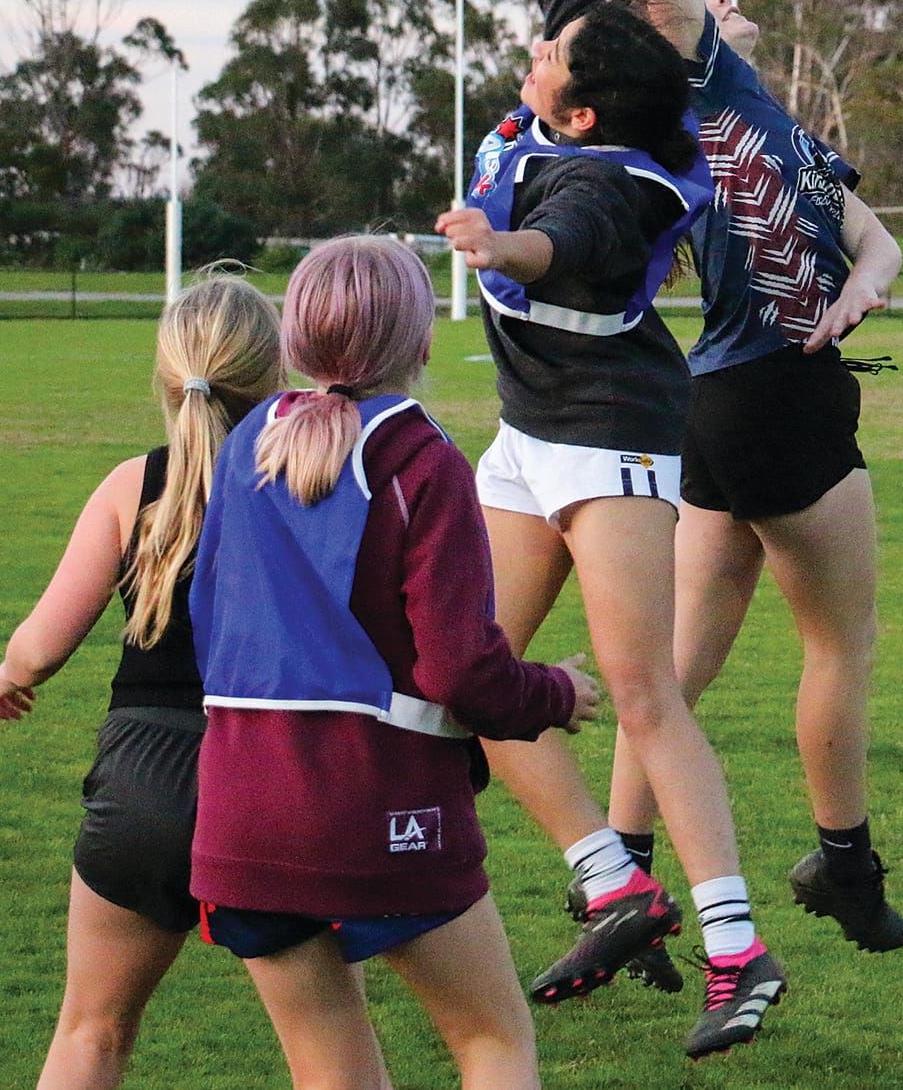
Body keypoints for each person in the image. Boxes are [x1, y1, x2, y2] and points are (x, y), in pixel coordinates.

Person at [434, 0, 787, 1060]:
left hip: (618, 437)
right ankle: (608, 875)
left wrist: (490, 241)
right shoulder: (592, 69)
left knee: (643, 693)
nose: (535, 36)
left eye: (547, 48)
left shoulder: (624, 175)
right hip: (529, 428)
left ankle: (740, 951)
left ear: (577, 103)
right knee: (466, 670)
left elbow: (559, 247)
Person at [535, 0, 903, 956]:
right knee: (838, 645)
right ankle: (844, 863)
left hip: (721, 407)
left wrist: (858, 290)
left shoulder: (773, 127)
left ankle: (629, 895)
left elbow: (872, 233)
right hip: (776, 404)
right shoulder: (700, 89)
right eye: (698, 1)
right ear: (676, 37)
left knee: (666, 684)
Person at [186, 235, 600, 1090]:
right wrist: (553, 693)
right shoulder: (420, 460)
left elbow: (209, 619)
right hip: (376, 799)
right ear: (419, 341)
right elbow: (460, 669)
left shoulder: (248, 442)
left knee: (328, 1064)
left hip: (239, 807)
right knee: (493, 1041)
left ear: (295, 339)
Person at [0, 274, 285, 1090]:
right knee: (329, 1044)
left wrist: (12, 673)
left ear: (165, 376)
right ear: (277, 372)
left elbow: (42, 645)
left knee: (93, 1031)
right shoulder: (310, 482)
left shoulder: (132, 486)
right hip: (271, 774)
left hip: (144, 776)